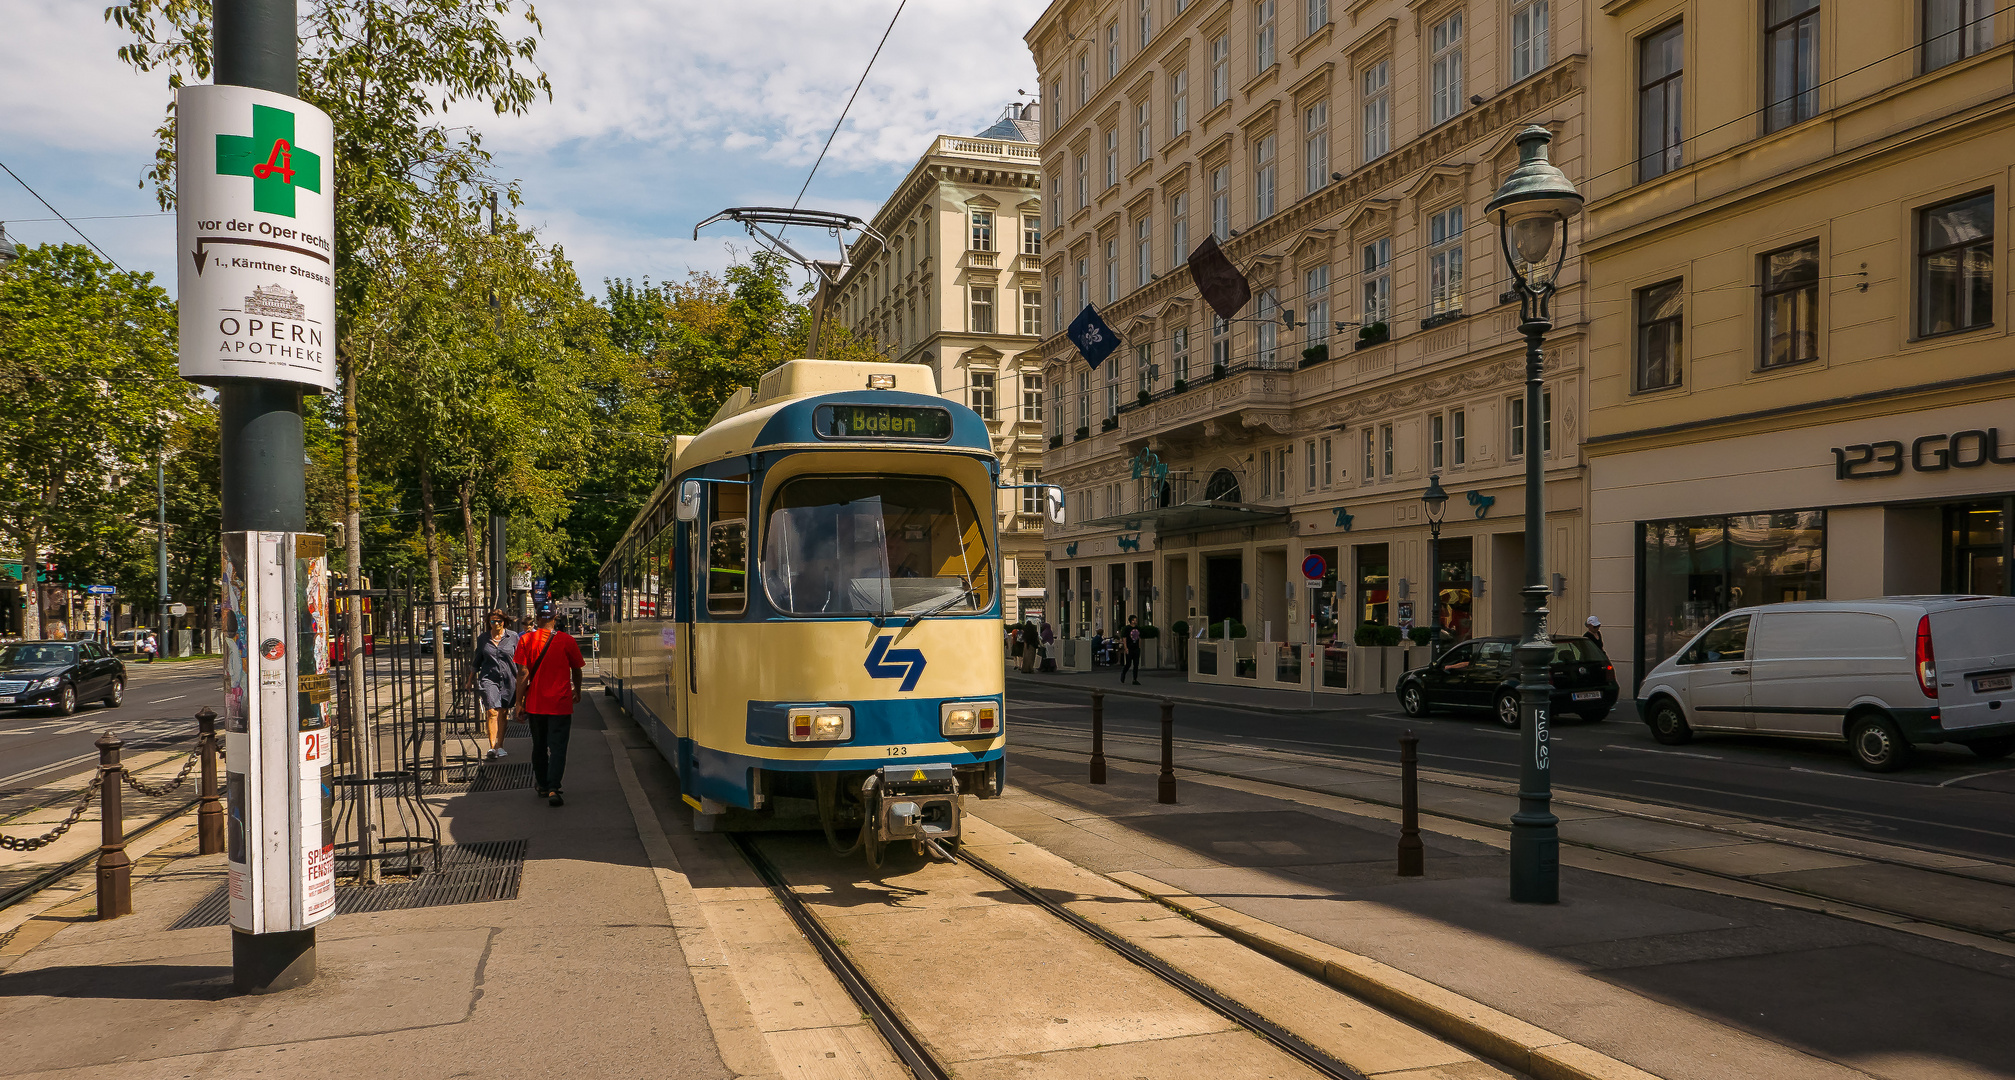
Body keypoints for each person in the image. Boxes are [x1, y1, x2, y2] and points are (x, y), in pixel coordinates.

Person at [513, 602, 585, 807]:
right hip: (560, 703)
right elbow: (577, 669)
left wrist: (519, 702)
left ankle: (542, 785)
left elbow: (523, 673)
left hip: (536, 704)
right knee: (558, 747)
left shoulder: (526, 640)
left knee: (539, 746)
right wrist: (577, 690)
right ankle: (554, 787)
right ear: (555, 618)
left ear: (537, 619)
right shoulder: (567, 640)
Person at [473, 611, 519, 761]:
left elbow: (519, 659)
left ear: (504, 621)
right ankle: (492, 747)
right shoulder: (483, 639)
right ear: (489, 623)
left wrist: (523, 679)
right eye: (493, 621)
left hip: (508, 679)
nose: (496, 624)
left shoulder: (513, 637)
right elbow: (477, 660)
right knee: (492, 711)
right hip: (489, 678)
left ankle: (500, 745)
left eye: (499, 621)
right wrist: (470, 679)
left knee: (503, 712)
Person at [1119, 615, 1143, 685]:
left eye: (1136, 620)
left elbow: (1139, 637)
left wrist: (1139, 646)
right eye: (1134, 620)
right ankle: (1123, 673)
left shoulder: (1138, 628)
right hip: (1129, 648)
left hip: (1136, 648)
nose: (1135, 621)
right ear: (1131, 621)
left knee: (1136, 664)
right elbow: (1124, 638)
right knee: (1128, 664)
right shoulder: (1127, 628)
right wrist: (1126, 648)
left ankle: (1135, 679)